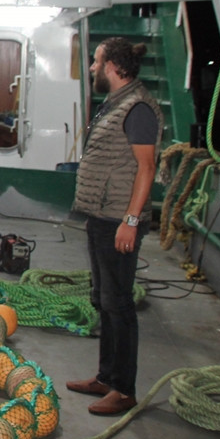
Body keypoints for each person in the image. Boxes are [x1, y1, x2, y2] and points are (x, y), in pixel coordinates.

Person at [66, 37, 162, 416]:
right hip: (101, 216)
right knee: (104, 300)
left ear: (111, 67)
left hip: (119, 221)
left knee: (119, 304)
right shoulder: (116, 103)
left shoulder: (138, 109)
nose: (91, 67)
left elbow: (147, 168)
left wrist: (130, 221)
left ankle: (124, 390)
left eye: (96, 61)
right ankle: (106, 377)